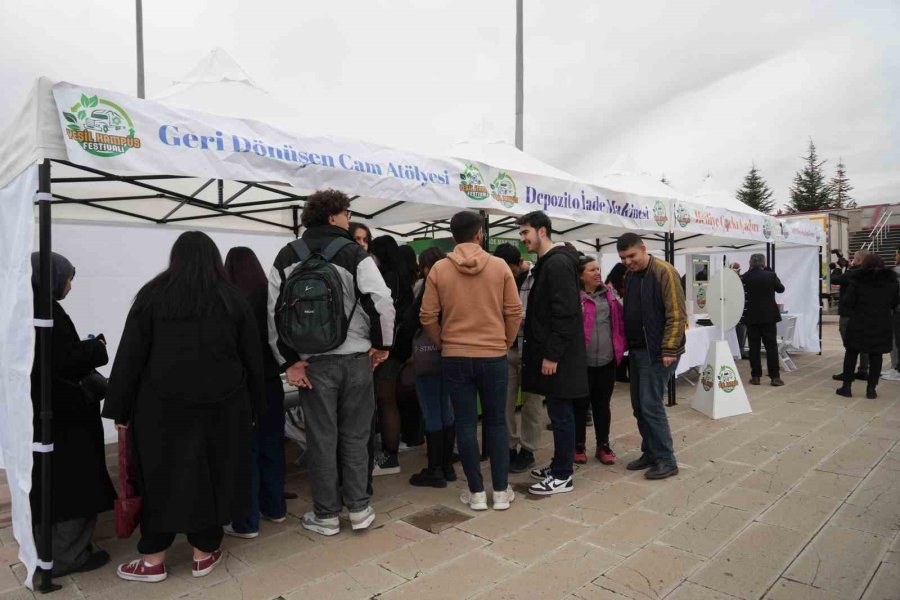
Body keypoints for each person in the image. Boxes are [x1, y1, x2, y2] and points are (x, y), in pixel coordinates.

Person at [104, 232, 264, 582]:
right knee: (213, 474)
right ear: (213, 258)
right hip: (223, 409)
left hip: (159, 410)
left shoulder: (151, 296)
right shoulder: (232, 299)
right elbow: (253, 359)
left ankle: (153, 560)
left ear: (175, 257)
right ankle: (204, 553)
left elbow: (131, 355)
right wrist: (256, 407)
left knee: (160, 477)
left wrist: (120, 409)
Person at [268, 190, 395, 536]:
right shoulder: (354, 253)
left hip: (312, 366)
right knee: (356, 436)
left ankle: (325, 515)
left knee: (322, 439)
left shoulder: (286, 255)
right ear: (332, 217)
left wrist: (289, 363)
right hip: (356, 360)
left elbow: (273, 315)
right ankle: (358, 509)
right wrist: (383, 346)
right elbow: (382, 302)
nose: (349, 218)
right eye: (346, 213)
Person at [421, 211, 522, 510]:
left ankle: (476, 493)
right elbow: (514, 311)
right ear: (480, 234)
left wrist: (443, 342)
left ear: (452, 237)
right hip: (493, 354)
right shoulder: (500, 265)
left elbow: (427, 316)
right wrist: (505, 341)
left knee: (465, 424)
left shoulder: (439, 269)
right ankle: (501, 492)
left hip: (455, 355)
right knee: (497, 422)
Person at [29, 252, 114, 579]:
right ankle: (68, 555)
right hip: (62, 417)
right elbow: (62, 361)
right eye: (68, 278)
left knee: (49, 484)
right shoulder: (45, 311)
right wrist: (96, 347)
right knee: (71, 485)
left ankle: (50, 550)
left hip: (45, 414)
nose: (70, 285)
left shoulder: (29, 307)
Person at [517, 211, 587, 495]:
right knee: (559, 413)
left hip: (560, 357)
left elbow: (565, 313)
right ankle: (560, 463)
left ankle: (562, 475)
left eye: (526, 233)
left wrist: (552, 355)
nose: (523, 239)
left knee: (560, 414)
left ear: (542, 231)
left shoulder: (556, 264)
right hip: (557, 354)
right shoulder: (550, 263)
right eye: (521, 233)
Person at [222, 247, 287, 539]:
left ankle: (246, 522)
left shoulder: (229, 300)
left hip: (241, 388)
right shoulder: (271, 296)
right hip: (272, 382)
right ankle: (276, 509)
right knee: (272, 445)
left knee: (245, 452)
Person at [617, 233, 685, 481]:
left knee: (651, 405)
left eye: (631, 256)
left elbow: (676, 313)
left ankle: (667, 459)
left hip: (657, 352)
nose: (627, 262)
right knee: (638, 406)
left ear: (643, 249)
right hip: (636, 351)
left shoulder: (664, 271)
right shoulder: (630, 275)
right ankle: (651, 452)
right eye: (623, 258)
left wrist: (668, 348)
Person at [405, 247, 457, 487]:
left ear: (426, 267)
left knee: (432, 412)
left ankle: (435, 469)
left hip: (428, 357)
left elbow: (414, 319)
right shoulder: (454, 284)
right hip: (452, 354)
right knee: (446, 408)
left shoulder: (427, 286)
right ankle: (447, 466)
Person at [493, 242, 545, 473]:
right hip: (506, 348)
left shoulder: (537, 278)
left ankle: (528, 450)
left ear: (517, 264)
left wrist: (520, 317)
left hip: (531, 349)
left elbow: (544, 312)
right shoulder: (496, 276)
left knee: (532, 403)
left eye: (509, 270)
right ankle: (508, 446)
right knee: (503, 402)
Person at [369, 235, 415, 476]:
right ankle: (391, 450)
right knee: (390, 399)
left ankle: (389, 456)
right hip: (401, 349)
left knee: (386, 399)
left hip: (388, 349)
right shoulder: (404, 278)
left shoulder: (387, 279)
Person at [575, 256, 625, 465]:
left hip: (606, 361)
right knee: (580, 405)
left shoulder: (610, 296)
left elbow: (619, 324)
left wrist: (620, 350)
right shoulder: (574, 297)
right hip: (582, 362)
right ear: (580, 275)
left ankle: (603, 445)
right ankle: (578, 445)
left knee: (602, 405)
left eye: (598, 269)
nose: (597, 273)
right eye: (591, 270)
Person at [836, 254, 899, 399]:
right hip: (881, 323)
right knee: (876, 356)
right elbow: (895, 302)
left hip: (859, 321)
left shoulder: (858, 280)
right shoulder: (891, 282)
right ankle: (871, 389)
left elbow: (848, 301)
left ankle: (846, 387)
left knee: (851, 353)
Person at [740, 254, 786, 387]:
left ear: (750, 263)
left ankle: (755, 376)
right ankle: (775, 377)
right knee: (771, 347)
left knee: (754, 347)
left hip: (751, 317)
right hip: (769, 317)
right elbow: (781, 289)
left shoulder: (744, 277)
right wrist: (771, 272)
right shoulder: (770, 275)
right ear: (764, 263)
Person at [831, 250, 871, 381]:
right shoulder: (871, 273)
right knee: (864, 343)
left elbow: (835, 279)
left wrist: (837, 268)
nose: (852, 261)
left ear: (859, 261)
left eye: (854, 259)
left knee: (849, 345)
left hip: (848, 313)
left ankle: (848, 373)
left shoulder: (852, 273)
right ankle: (863, 369)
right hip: (865, 312)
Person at [606, 263, 631, 383]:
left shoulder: (613, 287)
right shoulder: (611, 290)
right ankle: (620, 374)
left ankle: (621, 374)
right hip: (616, 326)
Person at [883, 246, 900, 382]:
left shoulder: (896, 272)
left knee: (896, 340)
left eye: (896, 254)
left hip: (897, 310)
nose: (895, 257)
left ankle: (897, 368)